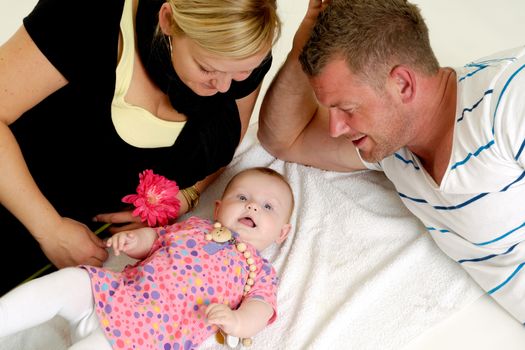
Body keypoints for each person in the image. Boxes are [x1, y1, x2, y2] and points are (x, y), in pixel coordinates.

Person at [258, 0, 525, 323]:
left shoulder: (509, 101)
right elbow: (284, 139)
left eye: (348, 109)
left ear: (402, 84)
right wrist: (303, 45)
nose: (335, 127)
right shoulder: (394, 147)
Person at [0, 0, 281, 295]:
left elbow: (225, 139)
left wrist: (188, 192)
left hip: (89, 260)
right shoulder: (84, 16)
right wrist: (50, 230)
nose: (224, 87)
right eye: (207, 68)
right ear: (168, 20)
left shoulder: (242, 49)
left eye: (240, 74)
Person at [0, 167, 294, 349]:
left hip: (144, 336)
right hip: (113, 292)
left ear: (282, 233)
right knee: (70, 281)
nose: (253, 206)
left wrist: (238, 321)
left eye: (268, 207)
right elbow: (156, 239)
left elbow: (261, 306)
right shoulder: (194, 227)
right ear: (217, 209)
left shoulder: (258, 269)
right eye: (242, 198)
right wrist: (133, 240)